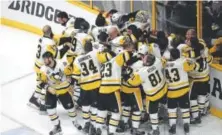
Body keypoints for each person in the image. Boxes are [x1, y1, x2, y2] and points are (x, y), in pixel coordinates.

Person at [29, 25, 72, 114]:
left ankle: (34, 98)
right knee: (46, 84)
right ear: (51, 31)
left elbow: (55, 42)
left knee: (40, 82)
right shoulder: (50, 43)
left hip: (38, 64)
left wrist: (66, 39)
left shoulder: (42, 39)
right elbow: (58, 55)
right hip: (43, 67)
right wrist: (67, 46)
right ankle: (42, 103)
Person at [95, 36, 134, 135]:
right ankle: (111, 132)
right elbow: (127, 53)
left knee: (101, 113)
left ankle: (97, 129)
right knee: (116, 114)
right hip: (113, 90)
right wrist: (125, 45)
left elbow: (101, 54)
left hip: (102, 90)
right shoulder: (117, 59)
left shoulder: (102, 62)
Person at [72, 41, 112, 134]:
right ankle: (93, 126)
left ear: (84, 49)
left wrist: (71, 85)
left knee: (85, 108)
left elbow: (76, 76)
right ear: (91, 48)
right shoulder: (96, 53)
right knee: (94, 107)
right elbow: (108, 58)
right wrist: (107, 49)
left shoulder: (78, 59)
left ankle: (86, 125)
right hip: (96, 86)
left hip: (84, 87)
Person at [37, 52, 82, 135]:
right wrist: (48, 87)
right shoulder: (43, 69)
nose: (44, 61)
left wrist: (71, 82)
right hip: (51, 92)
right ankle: (57, 127)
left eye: (45, 59)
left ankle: (75, 122)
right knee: (50, 111)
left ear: (50, 58)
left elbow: (73, 74)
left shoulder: (63, 64)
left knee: (71, 108)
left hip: (63, 91)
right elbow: (39, 82)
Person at [125, 54, 167, 135]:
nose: (142, 58)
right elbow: (164, 60)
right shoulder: (157, 62)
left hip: (153, 95)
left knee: (152, 112)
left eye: (144, 58)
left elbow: (132, 82)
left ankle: (155, 130)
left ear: (147, 63)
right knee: (161, 105)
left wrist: (127, 76)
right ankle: (165, 115)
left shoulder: (141, 72)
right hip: (163, 89)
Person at [165, 48, 199, 135]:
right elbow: (195, 67)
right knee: (185, 109)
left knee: (172, 111)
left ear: (171, 56)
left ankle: (172, 126)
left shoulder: (165, 64)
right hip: (183, 90)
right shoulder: (183, 62)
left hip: (171, 91)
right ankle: (186, 124)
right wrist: (191, 61)